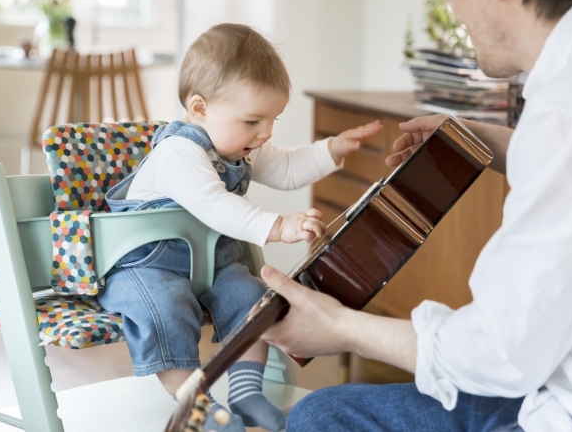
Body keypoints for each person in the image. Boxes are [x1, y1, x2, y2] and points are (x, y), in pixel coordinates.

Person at [260, 0, 572, 431]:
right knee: (324, 410)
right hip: (557, 370)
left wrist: (341, 327)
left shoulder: (567, 115)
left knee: (320, 421)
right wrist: (483, 141)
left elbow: (499, 353)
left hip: (560, 402)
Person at [97, 23, 382, 432]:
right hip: (143, 267)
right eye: (253, 121)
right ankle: (195, 408)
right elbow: (215, 205)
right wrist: (279, 225)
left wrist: (330, 149)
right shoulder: (179, 153)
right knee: (164, 311)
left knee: (252, 299)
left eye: (272, 120)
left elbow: (285, 168)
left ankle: (247, 392)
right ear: (200, 109)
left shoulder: (238, 147)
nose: (265, 133)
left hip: (209, 264)